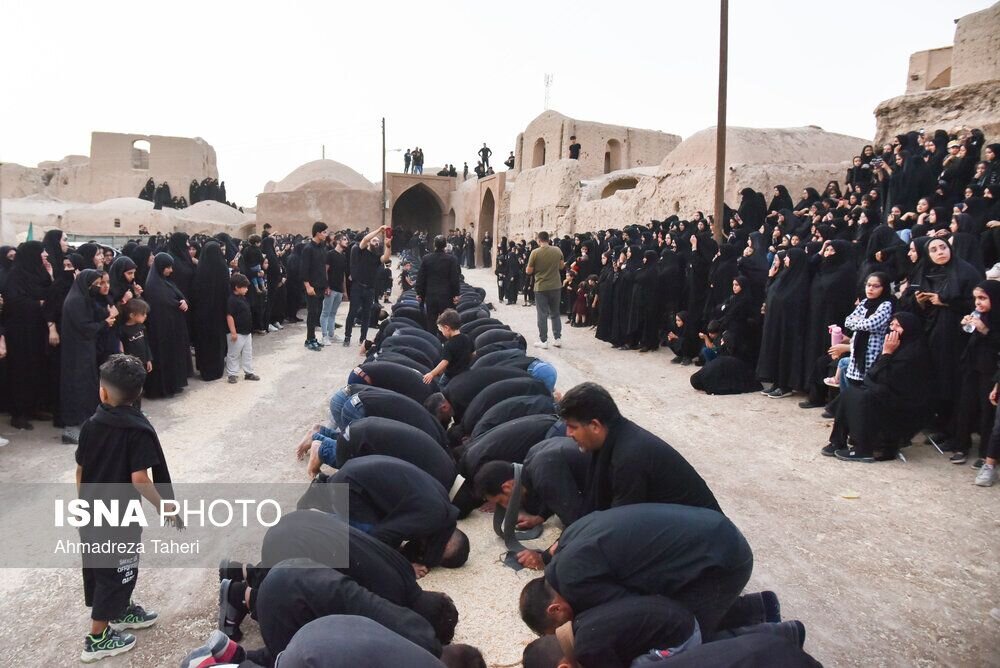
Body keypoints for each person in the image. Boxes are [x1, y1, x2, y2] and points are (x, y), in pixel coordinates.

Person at [518, 504, 776, 638]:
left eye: (560, 630)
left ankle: (777, 639)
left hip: (722, 561)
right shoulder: (565, 549)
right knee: (688, 611)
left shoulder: (576, 584)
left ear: (556, 609)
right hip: (714, 533)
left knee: (686, 637)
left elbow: (642, 614)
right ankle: (762, 608)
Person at [75, 354, 174, 663]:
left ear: (103, 392)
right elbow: (140, 479)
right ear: (139, 394)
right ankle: (97, 638)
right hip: (118, 516)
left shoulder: (92, 423)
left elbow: (80, 469)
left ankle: (121, 609)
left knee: (117, 568)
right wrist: (164, 506)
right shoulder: (136, 429)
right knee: (114, 571)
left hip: (92, 510)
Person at [556, 382, 721, 518]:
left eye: (572, 427)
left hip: (706, 544)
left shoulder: (629, 458)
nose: (568, 434)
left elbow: (620, 528)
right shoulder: (612, 439)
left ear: (595, 426)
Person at [309, 456, 469, 575]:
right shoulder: (430, 518)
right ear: (446, 545)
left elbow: (395, 524)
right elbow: (378, 537)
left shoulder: (443, 509)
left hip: (356, 474)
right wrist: (403, 569)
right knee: (363, 546)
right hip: (350, 488)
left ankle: (318, 517)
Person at [825, 312, 932, 462]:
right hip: (884, 394)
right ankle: (837, 441)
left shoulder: (914, 353)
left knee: (864, 397)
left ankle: (864, 449)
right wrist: (886, 354)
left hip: (903, 405)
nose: (893, 330)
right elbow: (872, 376)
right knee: (851, 393)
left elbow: (888, 380)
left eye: (898, 326)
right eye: (891, 325)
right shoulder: (894, 348)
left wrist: (887, 354)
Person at [61, 270, 117, 444]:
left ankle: (85, 424)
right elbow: (84, 327)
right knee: (77, 386)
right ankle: (71, 428)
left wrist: (108, 314)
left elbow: (97, 313)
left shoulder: (85, 299)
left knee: (87, 385)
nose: (100, 287)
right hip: (76, 351)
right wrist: (105, 323)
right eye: (97, 284)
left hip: (85, 349)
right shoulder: (76, 301)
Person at [142, 254, 192, 399]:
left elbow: (178, 296)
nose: (170, 270)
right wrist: (178, 304)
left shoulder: (166, 281)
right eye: (168, 267)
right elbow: (163, 303)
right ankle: (163, 388)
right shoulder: (153, 285)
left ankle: (174, 383)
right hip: (161, 329)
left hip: (173, 327)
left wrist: (183, 301)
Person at [344, 226, 392, 348]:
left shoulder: (377, 256)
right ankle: (347, 336)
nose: (376, 242)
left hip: (370, 289)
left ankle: (363, 339)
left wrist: (388, 246)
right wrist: (379, 230)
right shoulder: (361, 251)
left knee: (367, 314)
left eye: (377, 241)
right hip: (357, 286)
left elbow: (386, 258)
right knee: (352, 312)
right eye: (374, 240)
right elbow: (365, 239)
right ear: (370, 242)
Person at [191, 241, 229, 382]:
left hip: (202, 313)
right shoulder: (222, 268)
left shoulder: (201, 268)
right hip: (218, 312)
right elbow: (226, 292)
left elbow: (195, 292)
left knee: (204, 340)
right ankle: (215, 369)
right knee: (216, 341)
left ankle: (204, 368)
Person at [527, 231, 566, 349]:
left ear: (539, 240)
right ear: (548, 239)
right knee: (555, 313)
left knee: (542, 314)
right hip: (555, 285)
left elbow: (528, 271)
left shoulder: (535, 253)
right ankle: (557, 338)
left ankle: (543, 340)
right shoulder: (557, 250)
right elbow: (561, 266)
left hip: (541, 286)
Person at [416, 235, 461, 336]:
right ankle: (445, 342)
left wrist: (419, 293)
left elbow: (421, 278)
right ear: (445, 245)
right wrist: (456, 294)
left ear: (434, 245)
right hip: (446, 295)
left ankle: (432, 342)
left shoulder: (426, 258)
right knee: (447, 321)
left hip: (431, 295)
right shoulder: (451, 259)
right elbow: (455, 278)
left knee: (431, 321)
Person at [300, 222, 330, 351]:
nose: (326, 234)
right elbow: (304, 269)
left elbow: (323, 268)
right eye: (324, 232)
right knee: (312, 313)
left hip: (321, 285)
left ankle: (313, 338)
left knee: (317, 312)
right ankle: (309, 339)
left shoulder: (322, 247)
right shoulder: (308, 249)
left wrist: (326, 285)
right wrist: (307, 286)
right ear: (317, 233)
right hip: (312, 286)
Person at [225, 273, 259, 384]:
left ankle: (248, 372)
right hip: (237, 333)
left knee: (247, 352)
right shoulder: (231, 300)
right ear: (237, 287)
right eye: (244, 287)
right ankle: (232, 374)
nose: (247, 289)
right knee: (233, 354)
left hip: (246, 332)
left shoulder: (242, 298)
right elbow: (229, 316)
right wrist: (233, 332)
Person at [423, 309, 472, 386]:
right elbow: (472, 353)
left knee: (441, 386)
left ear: (447, 328)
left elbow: (444, 362)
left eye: (441, 330)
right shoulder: (467, 338)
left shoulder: (448, 344)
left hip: (451, 375)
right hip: (466, 372)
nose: (442, 333)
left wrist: (432, 374)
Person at [322, 233, 348, 345]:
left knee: (333, 313)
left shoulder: (343, 256)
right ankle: (324, 336)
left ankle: (331, 335)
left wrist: (345, 291)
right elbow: (325, 271)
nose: (347, 241)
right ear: (338, 241)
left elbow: (343, 275)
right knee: (325, 313)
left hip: (339, 289)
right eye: (345, 239)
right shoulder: (330, 254)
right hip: (330, 288)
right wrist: (326, 286)